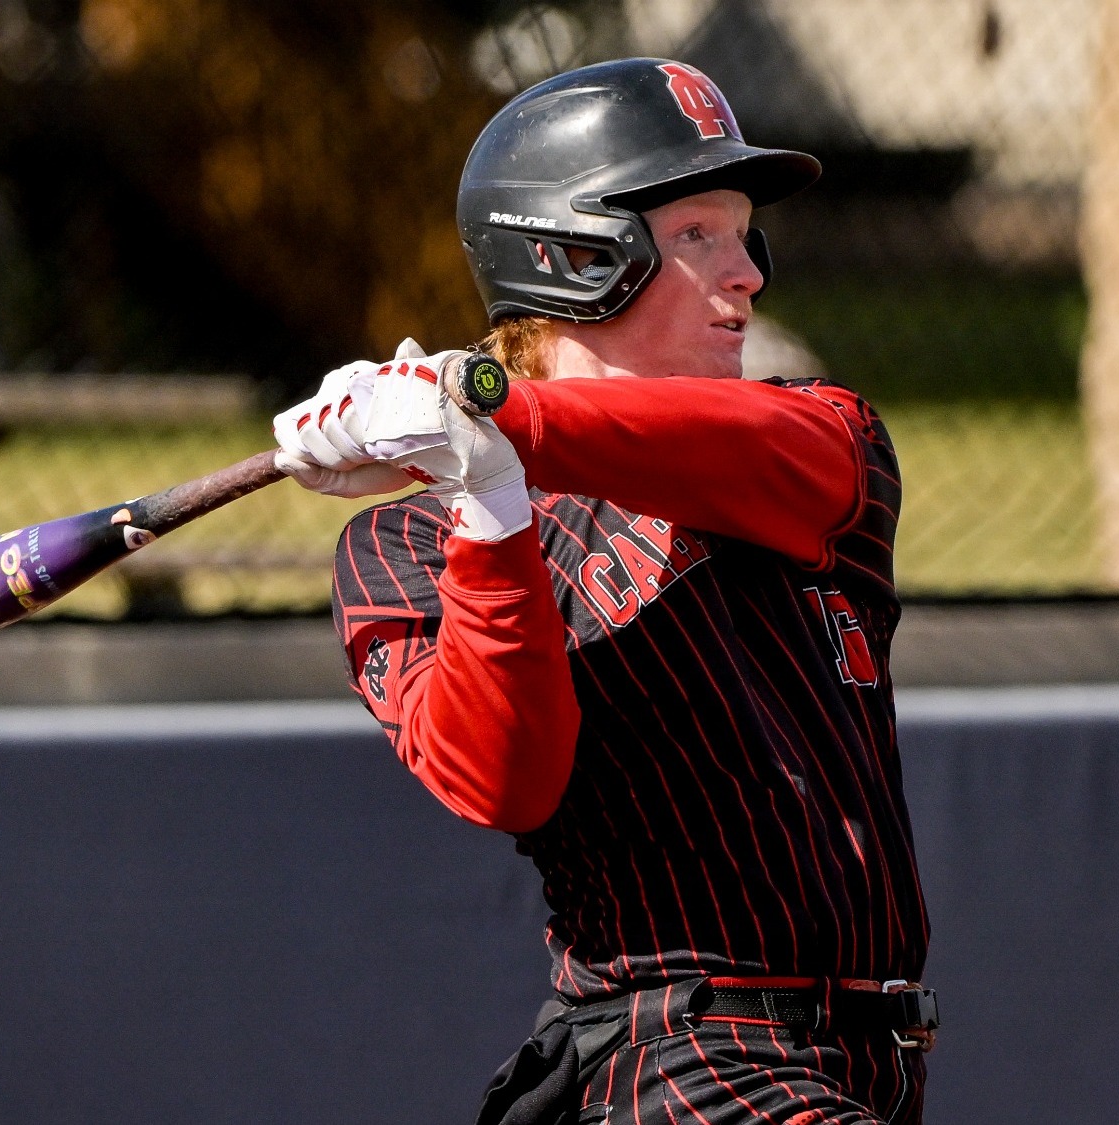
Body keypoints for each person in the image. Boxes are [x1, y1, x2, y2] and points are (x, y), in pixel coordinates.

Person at [274, 58, 934, 1125]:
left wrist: (484, 419)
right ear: (579, 258)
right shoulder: (400, 548)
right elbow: (505, 780)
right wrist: (487, 503)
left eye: (742, 234)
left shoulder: (817, 434)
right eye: (694, 237)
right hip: (669, 1057)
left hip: (875, 1061)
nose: (747, 274)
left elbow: (773, 454)